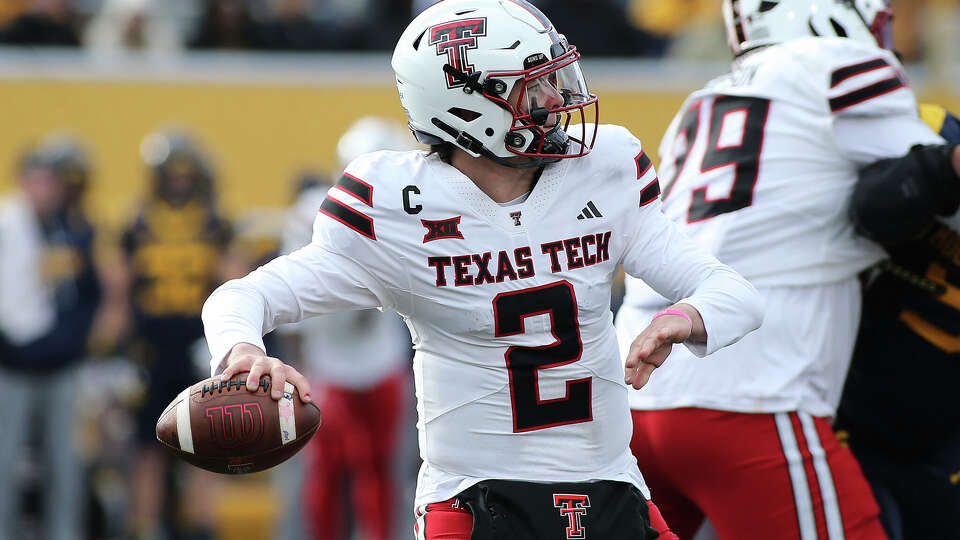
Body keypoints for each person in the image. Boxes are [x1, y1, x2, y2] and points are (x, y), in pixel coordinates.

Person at [202, 1, 763, 539]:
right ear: (468, 107)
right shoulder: (400, 207)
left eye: (554, 78)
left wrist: (687, 316)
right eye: (533, 86)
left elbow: (737, 294)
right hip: (474, 501)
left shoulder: (603, 171)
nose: (557, 98)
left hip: (612, 488)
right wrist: (242, 350)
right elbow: (240, 298)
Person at [614, 1, 960, 539]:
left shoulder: (704, 99)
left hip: (635, 390)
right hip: (750, 392)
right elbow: (935, 193)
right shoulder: (843, 64)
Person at [284, 118, 418, 540]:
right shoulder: (313, 214)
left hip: (382, 360)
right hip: (330, 364)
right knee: (327, 473)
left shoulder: (408, 213)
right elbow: (297, 295)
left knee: (380, 470)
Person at [835, 105, 960, 540]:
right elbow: (869, 209)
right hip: (849, 421)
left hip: (943, 446)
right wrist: (948, 166)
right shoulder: (929, 127)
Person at [122, 129, 232, 540]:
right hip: (152, 347)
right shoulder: (138, 225)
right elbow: (121, 288)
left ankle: (203, 525)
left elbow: (231, 282)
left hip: (196, 344)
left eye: (186, 175)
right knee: (147, 443)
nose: (179, 183)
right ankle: (147, 526)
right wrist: (120, 348)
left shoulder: (215, 225)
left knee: (207, 441)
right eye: (173, 175)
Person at [0, 137, 102, 540]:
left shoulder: (72, 230)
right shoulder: (8, 225)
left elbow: (88, 292)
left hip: (62, 367)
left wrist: (75, 340)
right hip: (12, 365)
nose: (45, 190)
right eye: (38, 180)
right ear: (24, 182)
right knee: (5, 459)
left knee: (67, 461)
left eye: (51, 182)